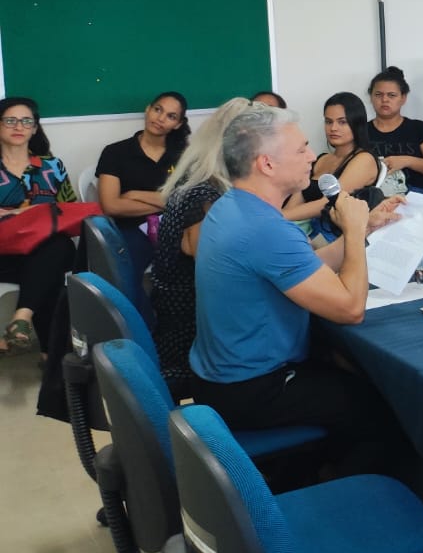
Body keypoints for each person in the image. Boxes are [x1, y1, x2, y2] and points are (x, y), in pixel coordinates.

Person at [188, 104, 404, 477]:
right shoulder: (266, 230)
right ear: (266, 164)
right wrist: (351, 232)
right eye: (302, 149)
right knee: (385, 410)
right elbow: (351, 309)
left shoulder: (232, 207)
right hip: (251, 389)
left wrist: (365, 226)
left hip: (217, 379)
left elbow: (302, 271)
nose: (312, 158)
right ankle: (340, 503)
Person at [148, 98, 258, 394]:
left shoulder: (198, 178)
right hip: (190, 336)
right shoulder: (206, 193)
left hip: (184, 320)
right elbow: (212, 266)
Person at [0, 97, 78, 358]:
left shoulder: (51, 166)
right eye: (10, 120)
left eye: (26, 121)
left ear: (35, 128)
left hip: (47, 248)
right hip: (4, 253)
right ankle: (51, 355)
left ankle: (21, 319)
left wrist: (44, 215)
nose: (18, 126)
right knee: (49, 275)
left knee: (54, 248)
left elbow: (70, 211)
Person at [95, 90, 190, 273]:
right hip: (131, 228)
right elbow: (111, 206)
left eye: (171, 116)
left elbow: (188, 199)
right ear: (148, 110)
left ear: (178, 124)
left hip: (176, 227)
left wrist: (134, 195)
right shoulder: (115, 152)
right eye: (157, 109)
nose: (160, 118)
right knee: (124, 274)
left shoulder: (185, 155)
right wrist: (169, 202)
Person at [289, 92, 381, 239]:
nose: (333, 128)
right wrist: (279, 219)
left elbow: (328, 203)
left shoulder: (364, 159)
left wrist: (278, 216)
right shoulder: (320, 159)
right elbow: (295, 201)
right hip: (307, 233)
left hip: (340, 237)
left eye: (342, 122)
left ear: (356, 124)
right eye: (328, 121)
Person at [366, 67, 423, 194]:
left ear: (403, 98)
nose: (384, 99)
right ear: (371, 97)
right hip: (373, 199)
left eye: (391, 95)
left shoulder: (419, 128)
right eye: (378, 94)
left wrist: (406, 161)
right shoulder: (361, 131)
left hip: (413, 199)